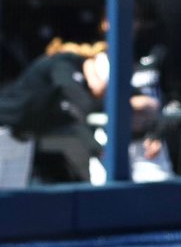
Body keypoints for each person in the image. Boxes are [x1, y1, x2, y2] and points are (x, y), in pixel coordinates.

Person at [0, 38, 162, 185]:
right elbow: (80, 102)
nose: (99, 86)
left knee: (12, 197)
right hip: (4, 129)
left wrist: (150, 126)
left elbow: (143, 101)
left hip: (22, 137)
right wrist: (100, 149)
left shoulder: (80, 84)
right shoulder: (62, 62)